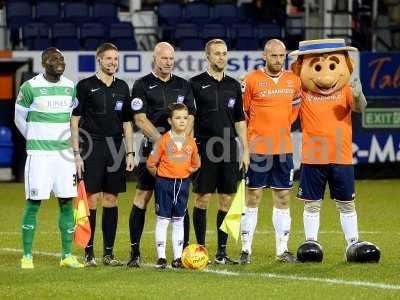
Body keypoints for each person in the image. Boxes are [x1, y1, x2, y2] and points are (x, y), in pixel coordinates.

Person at [289, 38, 368, 256]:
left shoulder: (344, 91)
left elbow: (360, 108)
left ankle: (353, 242)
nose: (326, 76)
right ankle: (311, 243)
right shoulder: (303, 93)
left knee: (346, 203)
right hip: (313, 157)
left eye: (333, 65)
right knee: (312, 204)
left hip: (341, 157)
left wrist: (359, 94)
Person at [127, 42, 196, 268]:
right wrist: (164, 142)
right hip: (153, 151)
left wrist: (179, 142)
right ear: (155, 59)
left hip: (179, 154)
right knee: (142, 198)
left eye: (171, 58)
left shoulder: (183, 85)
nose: (168, 62)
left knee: (180, 201)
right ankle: (135, 253)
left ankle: (182, 252)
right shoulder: (142, 84)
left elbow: (190, 118)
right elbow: (140, 119)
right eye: (164, 58)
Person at [15, 47, 83, 269]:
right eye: (54, 58)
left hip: (63, 157)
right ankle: (27, 256)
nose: (60, 61)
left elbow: (71, 119)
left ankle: (66, 256)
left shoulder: (70, 87)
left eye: (62, 58)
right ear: (44, 63)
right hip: (40, 156)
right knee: (34, 203)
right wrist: (36, 138)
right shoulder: (30, 87)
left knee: (66, 203)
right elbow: (19, 119)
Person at [71, 43, 134, 267]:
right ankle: (89, 253)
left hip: (116, 148)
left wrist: (130, 152)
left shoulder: (123, 87)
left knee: (111, 199)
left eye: (115, 59)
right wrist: (77, 153)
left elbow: (128, 123)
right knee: (91, 200)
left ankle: (108, 253)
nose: (113, 63)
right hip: (92, 147)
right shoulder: (85, 86)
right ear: (99, 59)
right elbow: (75, 120)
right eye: (108, 59)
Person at [239, 39, 302, 264]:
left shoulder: (293, 81)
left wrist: (280, 126)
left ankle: (282, 250)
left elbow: (295, 109)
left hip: (283, 148)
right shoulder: (251, 80)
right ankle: (246, 249)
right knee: (252, 197)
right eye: (274, 56)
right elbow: (243, 114)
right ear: (265, 56)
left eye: (281, 56)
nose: (278, 60)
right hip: (257, 149)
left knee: (283, 197)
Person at [190, 39, 250, 264]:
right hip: (204, 146)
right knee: (202, 198)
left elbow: (239, 120)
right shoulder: (195, 84)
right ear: (207, 56)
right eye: (217, 54)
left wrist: (245, 150)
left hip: (228, 147)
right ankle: (200, 248)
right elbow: (189, 118)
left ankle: (222, 252)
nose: (221, 58)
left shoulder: (233, 85)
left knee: (226, 199)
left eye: (224, 54)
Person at [147, 103, 200, 269]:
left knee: (179, 220)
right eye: (178, 118)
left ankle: (178, 258)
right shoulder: (162, 141)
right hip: (164, 184)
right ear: (170, 121)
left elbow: (196, 163)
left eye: (185, 118)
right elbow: (150, 164)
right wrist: (163, 177)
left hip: (183, 184)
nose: (182, 121)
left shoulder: (191, 141)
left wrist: (187, 171)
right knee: (163, 220)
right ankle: (161, 257)